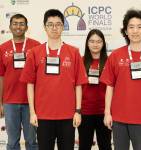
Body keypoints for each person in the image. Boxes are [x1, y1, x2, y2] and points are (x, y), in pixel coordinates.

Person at [20, 9, 88, 150]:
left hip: (68, 115)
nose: (54, 28)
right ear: (45, 27)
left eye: (58, 24)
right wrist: (32, 112)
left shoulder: (73, 52)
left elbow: (78, 85)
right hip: (43, 115)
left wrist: (78, 111)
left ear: (63, 26)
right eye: (50, 24)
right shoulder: (34, 53)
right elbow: (30, 84)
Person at [100, 9, 141, 150]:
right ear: (126, 31)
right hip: (119, 118)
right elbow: (110, 86)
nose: (135, 31)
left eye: (139, 27)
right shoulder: (116, 55)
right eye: (131, 27)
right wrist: (107, 112)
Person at [0, 14, 40, 150]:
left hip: (31, 102)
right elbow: (1, 77)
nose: (18, 26)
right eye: (15, 23)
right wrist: (0, 103)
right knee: (12, 141)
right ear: (10, 27)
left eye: (22, 23)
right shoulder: (2, 48)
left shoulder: (36, 46)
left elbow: (41, 76)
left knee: (32, 141)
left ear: (27, 27)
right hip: (9, 102)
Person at [78, 29, 112, 150]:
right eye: (92, 41)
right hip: (85, 111)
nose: (95, 44)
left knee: (105, 146)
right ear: (87, 43)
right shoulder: (80, 61)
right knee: (84, 146)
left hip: (104, 112)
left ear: (103, 44)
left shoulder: (110, 62)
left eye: (99, 41)